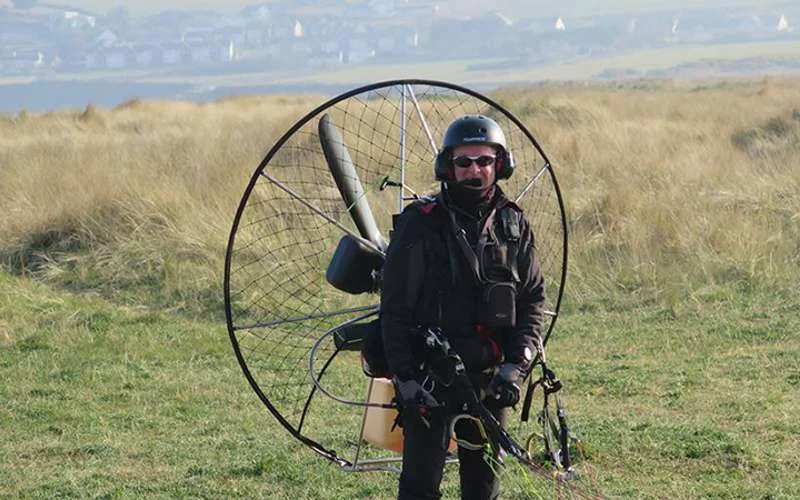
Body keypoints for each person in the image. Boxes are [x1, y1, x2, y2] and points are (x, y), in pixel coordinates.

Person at [380, 114, 546, 500]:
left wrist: (514, 368)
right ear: (447, 167)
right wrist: (405, 379)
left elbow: (532, 300)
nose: (475, 171)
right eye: (465, 162)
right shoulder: (419, 224)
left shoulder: (513, 224)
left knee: (483, 487)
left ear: (500, 165)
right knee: (419, 489)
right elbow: (395, 310)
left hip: (491, 379)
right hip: (430, 379)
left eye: (485, 161)